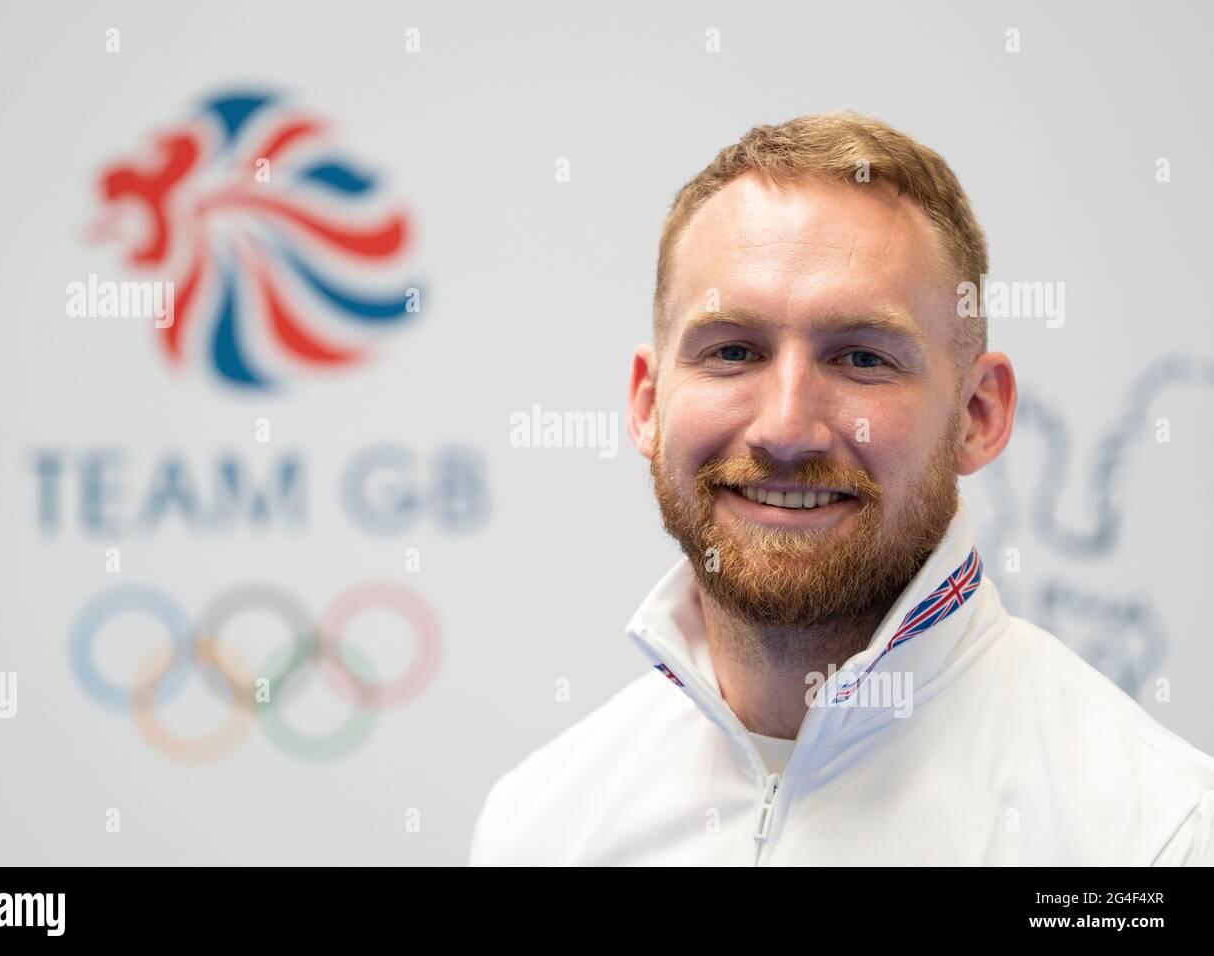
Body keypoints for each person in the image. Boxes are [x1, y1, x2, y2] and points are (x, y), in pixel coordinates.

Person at [469, 113, 1214, 865]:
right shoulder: (539, 825)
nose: (786, 428)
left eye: (861, 358)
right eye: (733, 351)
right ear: (648, 404)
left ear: (977, 415)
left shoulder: (1157, 837)